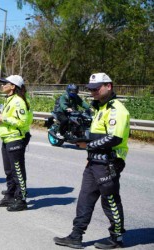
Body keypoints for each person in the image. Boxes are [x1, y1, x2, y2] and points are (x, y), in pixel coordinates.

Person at [53, 73, 130, 249]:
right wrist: (89, 153)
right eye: (90, 89)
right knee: (85, 199)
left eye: (96, 88)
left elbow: (114, 138)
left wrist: (87, 146)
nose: (93, 92)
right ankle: (76, 235)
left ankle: (116, 238)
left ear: (108, 86)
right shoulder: (99, 108)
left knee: (110, 200)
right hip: (94, 162)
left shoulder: (116, 109)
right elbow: (96, 136)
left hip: (109, 163)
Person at [0, 75, 32, 212]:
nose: (2, 85)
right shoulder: (9, 100)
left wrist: (4, 118)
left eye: (5, 83)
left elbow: (22, 122)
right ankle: (10, 195)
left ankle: (21, 199)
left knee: (17, 171)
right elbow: (9, 119)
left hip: (15, 139)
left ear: (13, 86)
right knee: (9, 171)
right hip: (6, 139)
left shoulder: (18, 101)